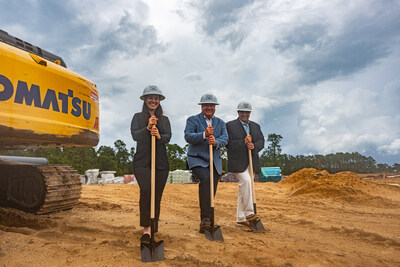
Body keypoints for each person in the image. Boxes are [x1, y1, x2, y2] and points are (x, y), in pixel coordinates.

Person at [130, 85, 171, 244]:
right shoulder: (138, 117)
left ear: (159, 101)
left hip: (160, 163)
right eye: (150, 98)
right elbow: (135, 136)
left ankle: (153, 225)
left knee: (157, 195)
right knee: (146, 191)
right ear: (145, 100)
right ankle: (146, 229)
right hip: (142, 162)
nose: (153, 100)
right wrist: (147, 128)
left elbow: (168, 137)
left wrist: (159, 135)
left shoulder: (165, 120)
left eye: (156, 98)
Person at [184, 93, 229, 233]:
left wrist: (216, 142)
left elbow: (225, 139)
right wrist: (204, 134)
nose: (209, 107)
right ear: (201, 106)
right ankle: (205, 219)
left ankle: (209, 219)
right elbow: (188, 136)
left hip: (214, 162)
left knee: (212, 188)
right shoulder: (192, 120)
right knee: (206, 180)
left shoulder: (220, 123)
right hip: (197, 159)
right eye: (206, 105)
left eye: (211, 105)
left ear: (215, 107)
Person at [226, 101, 265, 228]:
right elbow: (229, 144)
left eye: (247, 112)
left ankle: (240, 218)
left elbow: (261, 141)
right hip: (237, 162)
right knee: (247, 182)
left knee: (244, 189)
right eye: (242, 112)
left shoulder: (255, 126)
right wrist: (243, 142)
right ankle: (249, 213)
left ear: (250, 113)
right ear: (238, 112)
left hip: (252, 161)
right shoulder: (230, 126)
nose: (245, 114)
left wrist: (253, 146)